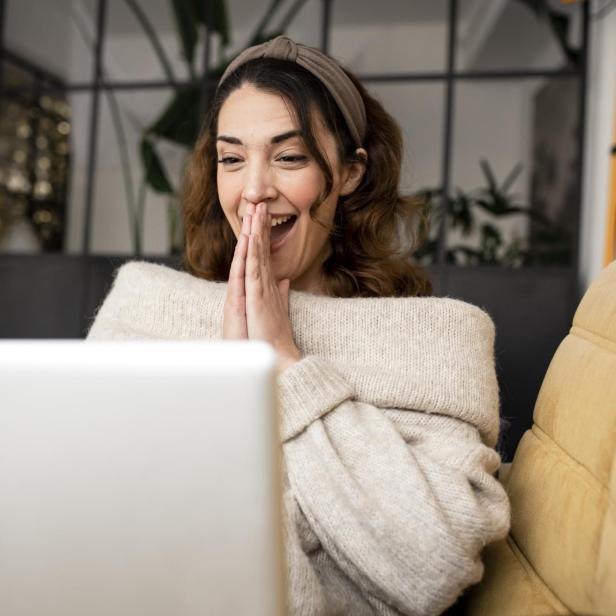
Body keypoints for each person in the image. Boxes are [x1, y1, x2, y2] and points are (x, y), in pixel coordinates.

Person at [87, 36, 511, 616]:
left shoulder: (436, 343)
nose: (255, 190)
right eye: (232, 159)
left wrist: (286, 368)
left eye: (289, 157)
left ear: (350, 171)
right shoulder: (146, 306)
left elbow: (432, 567)